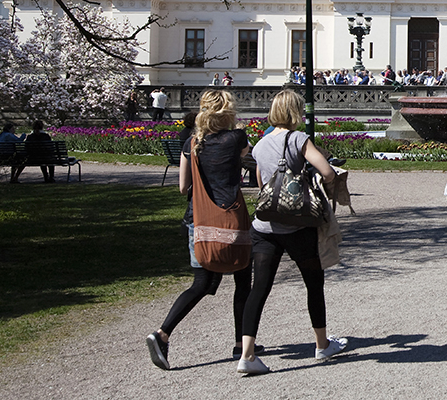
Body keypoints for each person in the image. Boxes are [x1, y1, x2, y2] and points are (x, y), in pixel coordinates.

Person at [238, 90, 348, 375]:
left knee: (259, 288)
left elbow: (263, 182)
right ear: (294, 112)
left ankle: (247, 354)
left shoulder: (260, 145)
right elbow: (327, 171)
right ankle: (322, 344)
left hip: (265, 226)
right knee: (313, 283)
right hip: (297, 224)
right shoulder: (298, 139)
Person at [147, 90, 254, 371]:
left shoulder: (192, 143)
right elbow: (243, 158)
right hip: (230, 219)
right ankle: (240, 344)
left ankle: (163, 333)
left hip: (199, 220)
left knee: (201, 284)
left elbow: (183, 187)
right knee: (243, 280)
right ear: (228, 112)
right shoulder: (237, 138)